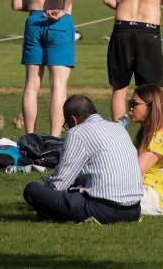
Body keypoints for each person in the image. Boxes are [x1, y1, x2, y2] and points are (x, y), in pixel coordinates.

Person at [23, 94, 142, 224]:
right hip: (134, 210)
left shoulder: (77, 132)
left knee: (32, 189)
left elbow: (60, 183)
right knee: (70, 195)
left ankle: (51, 213)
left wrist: (45, 191)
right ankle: (53, 214)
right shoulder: (119, 128)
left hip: (104, 210)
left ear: (73, 120)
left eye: (67, 125)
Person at [11, 0, 79, 137]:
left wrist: (35, 8)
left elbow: (16, 3)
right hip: (58, 23)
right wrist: (62, 7)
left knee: (31, 84)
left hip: (34, 21)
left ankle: (29, 136)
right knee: (58, 85)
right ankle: (53, 138)